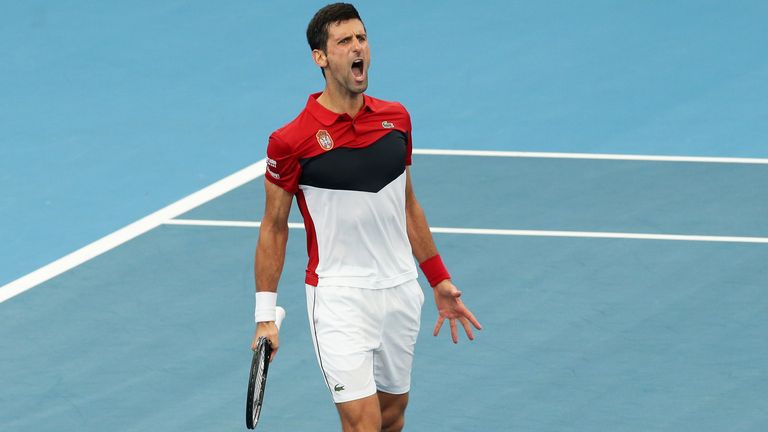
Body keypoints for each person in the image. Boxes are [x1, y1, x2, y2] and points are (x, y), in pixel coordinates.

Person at [251, 3, 482, 431]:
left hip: (399, 291)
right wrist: (265, 316)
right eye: (344, 41)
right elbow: (274, 227)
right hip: (339, 298)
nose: (358, 47)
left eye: (361, 38)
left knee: (392, 419)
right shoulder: (291, 140)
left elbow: (407, 204)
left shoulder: (397, 120)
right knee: (363, 426)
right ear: (320, 57)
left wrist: (438, 278)